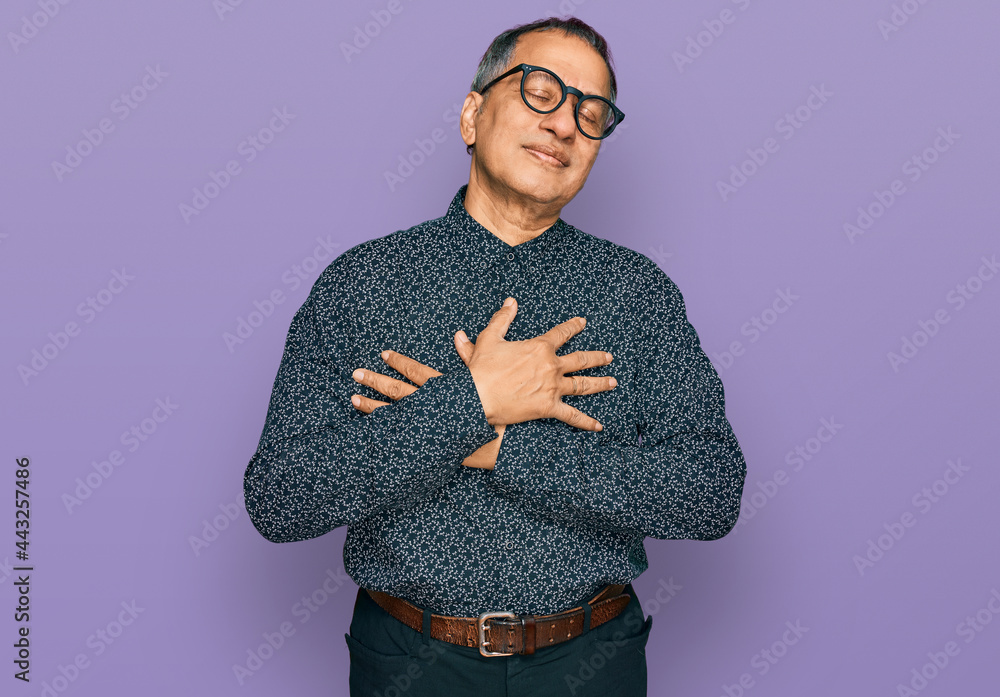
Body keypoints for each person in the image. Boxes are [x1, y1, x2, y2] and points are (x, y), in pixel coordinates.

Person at [243, 15, 747, 697]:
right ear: (472, 114)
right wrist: (469, 403)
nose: (565, 124)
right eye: (541, 91)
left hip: (589, 661)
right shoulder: (362, 283)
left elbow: (711, 491)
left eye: (591, 112)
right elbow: (279, 498)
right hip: (408, 660)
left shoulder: (637, 293)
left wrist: (505, 448)